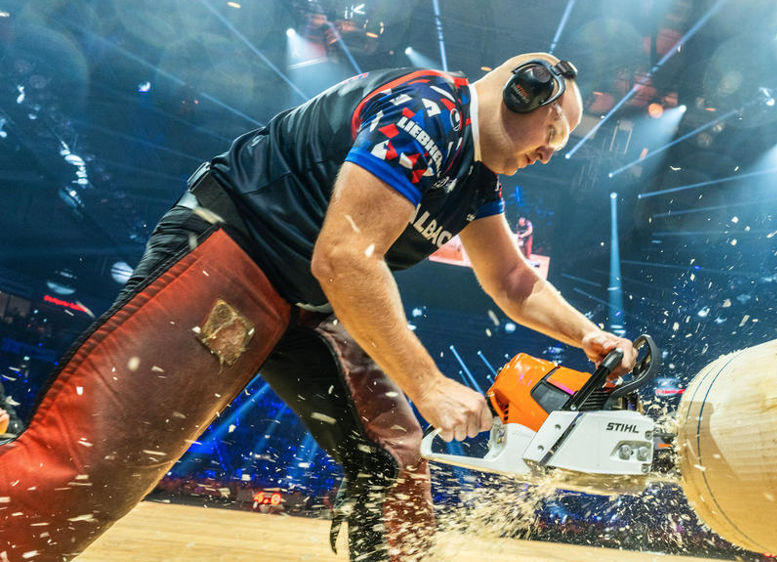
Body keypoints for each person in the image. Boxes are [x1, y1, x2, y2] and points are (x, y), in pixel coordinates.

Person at [0, 52, 638, 561]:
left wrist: (587, 334)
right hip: (235, 256)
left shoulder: (476, 178)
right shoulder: (425, 111)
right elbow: (346, 258)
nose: (554, 150)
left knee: (395, 454)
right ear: (524, 91)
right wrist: (431, 384)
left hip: (308, 303)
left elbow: (513, 281)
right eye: (555, 128)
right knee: (90, 463)